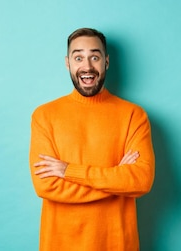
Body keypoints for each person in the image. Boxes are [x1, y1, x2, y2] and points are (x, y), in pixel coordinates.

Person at [29, 28, 155, 250]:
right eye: (78, 57)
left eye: (94, 57)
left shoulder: (133, 116)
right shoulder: (44, 116)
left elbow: (141, 180)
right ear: (68, 63)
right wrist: (117, 181)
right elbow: (46, 186)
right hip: (61, 244)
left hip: (117, 244)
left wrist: (68, 171)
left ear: (106, 62)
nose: (87, 67)